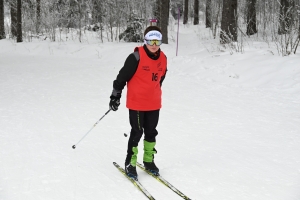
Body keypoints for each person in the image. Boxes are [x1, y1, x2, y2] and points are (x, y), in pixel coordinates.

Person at [109, 26, 167, 180]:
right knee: (137, 131)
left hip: (154, 103)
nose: (154, 44)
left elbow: (160, 78)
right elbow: (121, 78)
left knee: (151, 131)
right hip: (137, 104)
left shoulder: (164, 58)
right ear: (145, 41)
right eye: (151, 41)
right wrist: (115, 96)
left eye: (157, 41)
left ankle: (148, 161)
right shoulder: (135, 57)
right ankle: (131, 163)